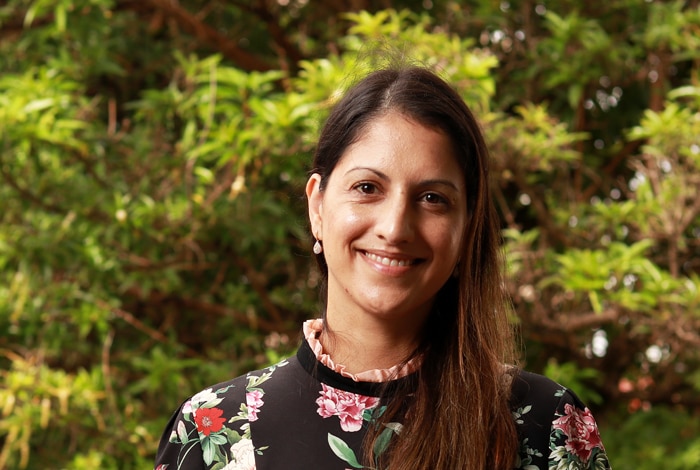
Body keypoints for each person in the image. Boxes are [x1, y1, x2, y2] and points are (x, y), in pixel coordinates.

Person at [154, 65, 611, 470]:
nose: (395, 228)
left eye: (432, 198)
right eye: (368, 187)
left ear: (467, 228)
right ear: (317, 205)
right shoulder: (212, 431)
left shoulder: (547, 427)